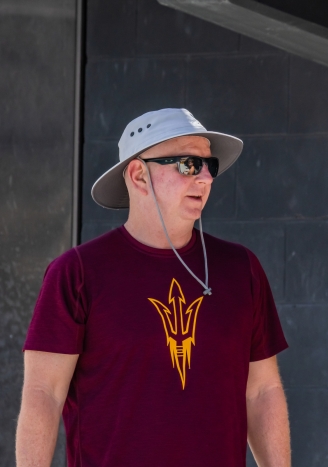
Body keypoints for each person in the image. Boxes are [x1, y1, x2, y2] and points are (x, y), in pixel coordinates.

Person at [16, 109, 291, 467]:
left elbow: (261, 392)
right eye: (190, 164)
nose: (206, 177)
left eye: (210, 165)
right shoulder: (77, 272)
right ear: (138, 174)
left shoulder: (241, 269)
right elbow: (44, 395)